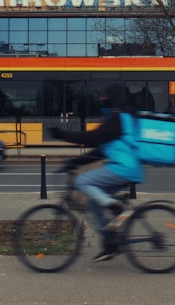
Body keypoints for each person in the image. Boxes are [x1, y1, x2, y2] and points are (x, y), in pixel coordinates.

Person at [48, 84, 142, 262]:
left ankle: (114, 205)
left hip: (123, 168)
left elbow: (90, 138)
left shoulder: (117, 119)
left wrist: (61, 134)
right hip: (126, 168)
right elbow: (100, 150)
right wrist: (75, 162)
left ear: (110, 98)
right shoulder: (121, 117)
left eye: (103, 97)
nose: (100, 100)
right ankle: (111, 242)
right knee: (93, 202)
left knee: (82, 182)